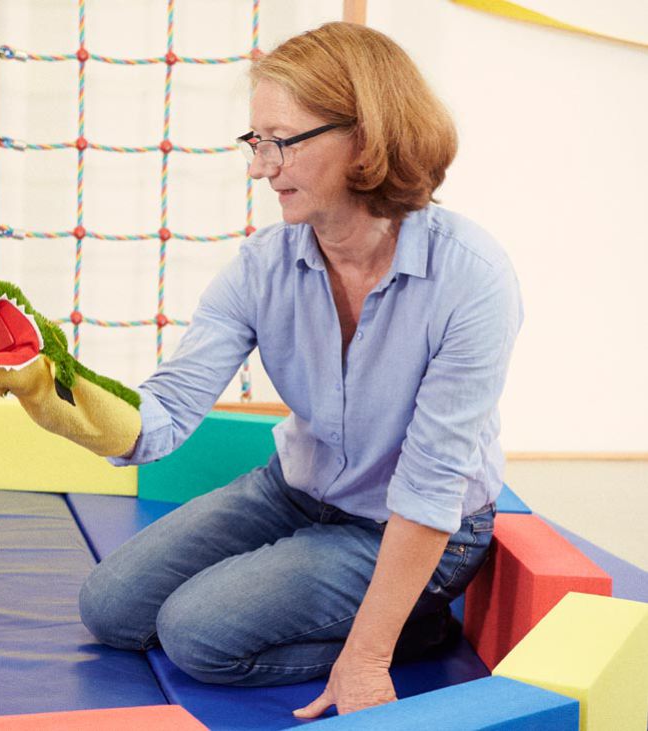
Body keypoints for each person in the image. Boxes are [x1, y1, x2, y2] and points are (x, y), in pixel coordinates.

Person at [76, 22, 522, 718]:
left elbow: (431, 485)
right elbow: (162, 416)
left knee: (197, 636)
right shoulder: (263, 265)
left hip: (411, 524)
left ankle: (416, 622)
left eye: (280, 141)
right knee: (109, 607)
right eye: (255, 143)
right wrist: (64, 395)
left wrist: (367, 656)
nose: (260, 166)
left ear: (367, 137)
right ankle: (341, 597)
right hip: (295, 490)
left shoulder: (471, 277)